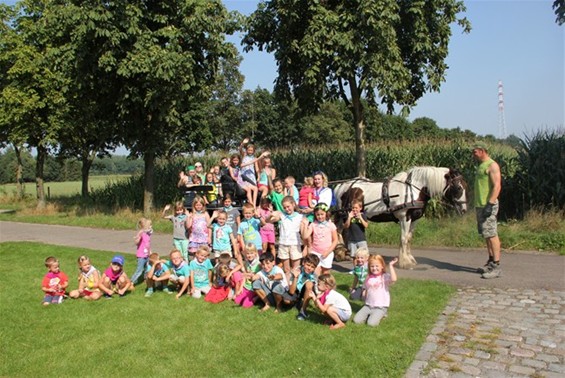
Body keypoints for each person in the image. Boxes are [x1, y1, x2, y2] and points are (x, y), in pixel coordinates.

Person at [472, 142, 502, 279]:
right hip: (480, 204)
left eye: (475, 151)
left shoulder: (492, 165)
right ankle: (490, 262)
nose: (473, 154)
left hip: (488, 204)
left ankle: (496, 266)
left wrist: (490, 204)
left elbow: (497, 186)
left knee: (492, 233)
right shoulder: (480, 166)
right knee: (486, 234)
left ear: (482, 151)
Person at [353, 255, 398, 327]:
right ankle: (372, 315)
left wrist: (391, 265)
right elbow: (365, 287)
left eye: (377, 266)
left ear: (382, 266)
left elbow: (394, 279)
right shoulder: (368, 277)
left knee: (371, 324)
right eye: (372, 266)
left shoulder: (384, 276)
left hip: (380, 306)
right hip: (368, 305)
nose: (374, 268)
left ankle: (382, 314)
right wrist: (364, 293)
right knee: (356, 320)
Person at [265, 195, 304, 277]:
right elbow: (267, 221)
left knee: (295, 268)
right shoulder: (282, 215)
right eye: (284, 207)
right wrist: (271, 214)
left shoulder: (300, 217)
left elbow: (304, 232)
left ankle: (295, 286)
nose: (287, 209)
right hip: (283, 244)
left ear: (293, 204)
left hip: (295, 244)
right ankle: (287, 287)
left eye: (288, 206)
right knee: (286, 269)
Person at [302, 202, 338, 276]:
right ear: (315, 214)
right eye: (318, 214)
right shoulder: (313, 224)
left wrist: (328, 252)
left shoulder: (331, 225)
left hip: (327, 253)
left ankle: (326, 286)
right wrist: (305, 225)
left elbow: (335, 240)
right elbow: (305, 236)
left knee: (326, 273)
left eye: (322, 214)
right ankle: (316, 286)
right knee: (315, 272)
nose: (320, 216)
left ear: (326, 214)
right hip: (316, 252)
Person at [284, 254, 320, 321]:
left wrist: (319, 303)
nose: (309, 268)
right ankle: (297, 302)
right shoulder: (296, 270)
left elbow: (318, 292)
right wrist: (295, 277)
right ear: (303, 263)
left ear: (315, 268)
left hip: (308, 290)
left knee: (309, 283)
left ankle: (303, 311)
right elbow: (291, 291)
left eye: (312, 267)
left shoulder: (315, 276)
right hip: (296, 290)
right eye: (308, 265)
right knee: (286, 301)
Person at [234, 243, 261, 308]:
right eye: (248, 253)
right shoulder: (246, 263)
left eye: (251, 253)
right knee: (236, 300)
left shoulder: (258, 264)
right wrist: (240, 288)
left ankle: (257, 298)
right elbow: (244, 277)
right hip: (246, 286)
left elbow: (259, 278)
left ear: (255, 253)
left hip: (253, 288)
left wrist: (249, 275)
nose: (249, 255)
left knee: (245, 304)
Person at [131, 217, 152, 286]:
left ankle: (146, 279)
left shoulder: (148, 234)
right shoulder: (141, 233)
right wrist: (139, 237)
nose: (151, 227)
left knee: (147, 268)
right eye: (149, 226)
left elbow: (148, 244)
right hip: (141, 255)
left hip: (147, 255)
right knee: (139, 270)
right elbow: (136, 242)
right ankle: (131, 282)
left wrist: (150, 252)